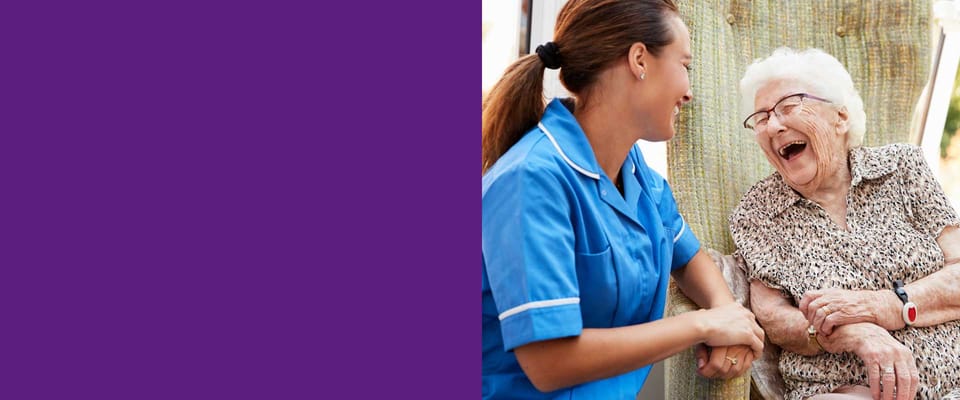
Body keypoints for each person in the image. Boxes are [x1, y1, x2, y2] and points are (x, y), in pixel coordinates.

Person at [481, 1, 765, 398]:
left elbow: (688, 256)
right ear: (639, 60)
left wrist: (726, 311)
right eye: (684, 65)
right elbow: (548, 361)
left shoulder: (634, 172)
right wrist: (701, 325)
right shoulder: (531, 180)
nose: (689, 92)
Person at [731, 47, 960, 400]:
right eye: (761, 118)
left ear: (840, 117)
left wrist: (881, 307)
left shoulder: (902, 167)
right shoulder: (757, 211)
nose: (774, 125)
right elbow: (774, 318)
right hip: (846, 388)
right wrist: (855, 334)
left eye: (788, 106)